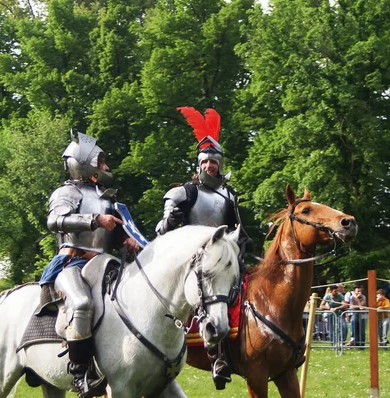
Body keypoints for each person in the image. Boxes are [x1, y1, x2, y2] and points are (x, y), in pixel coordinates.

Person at [38, 132, 139, 398]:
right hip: (72, 263)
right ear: (85, 164)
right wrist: (94, 219)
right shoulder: (66, 192)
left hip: (106, 264)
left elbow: (113, 233)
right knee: (81, 303)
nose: (106, 167)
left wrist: (126, 240)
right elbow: (55, 221)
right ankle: (82, 373)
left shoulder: (107, 197)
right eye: (101, 162)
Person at [155, 107, 250, 390]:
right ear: (199, 165)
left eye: (215, 162)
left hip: (221, 257)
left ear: (220, 164)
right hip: (190, 260)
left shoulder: (229, 196)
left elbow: (237, 230)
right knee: (211, 299)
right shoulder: (183, 193)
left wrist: (244, 245)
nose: (211, 166)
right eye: (206, 161)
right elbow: (161, 233)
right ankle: (216, 357)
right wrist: (169, 220)